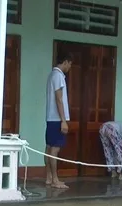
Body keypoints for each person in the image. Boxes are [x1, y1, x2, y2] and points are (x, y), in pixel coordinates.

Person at [45, 52, 72, 189]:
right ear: (66, 62)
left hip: (51, 118)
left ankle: (49, 177)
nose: (69, 67)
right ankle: (55, 179)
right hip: (57, 119)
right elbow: (59, 99)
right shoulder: (58, 76)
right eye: (70, 64)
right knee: (54, 149)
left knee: (49, 147)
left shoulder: (52, 75)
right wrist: (63, 120)